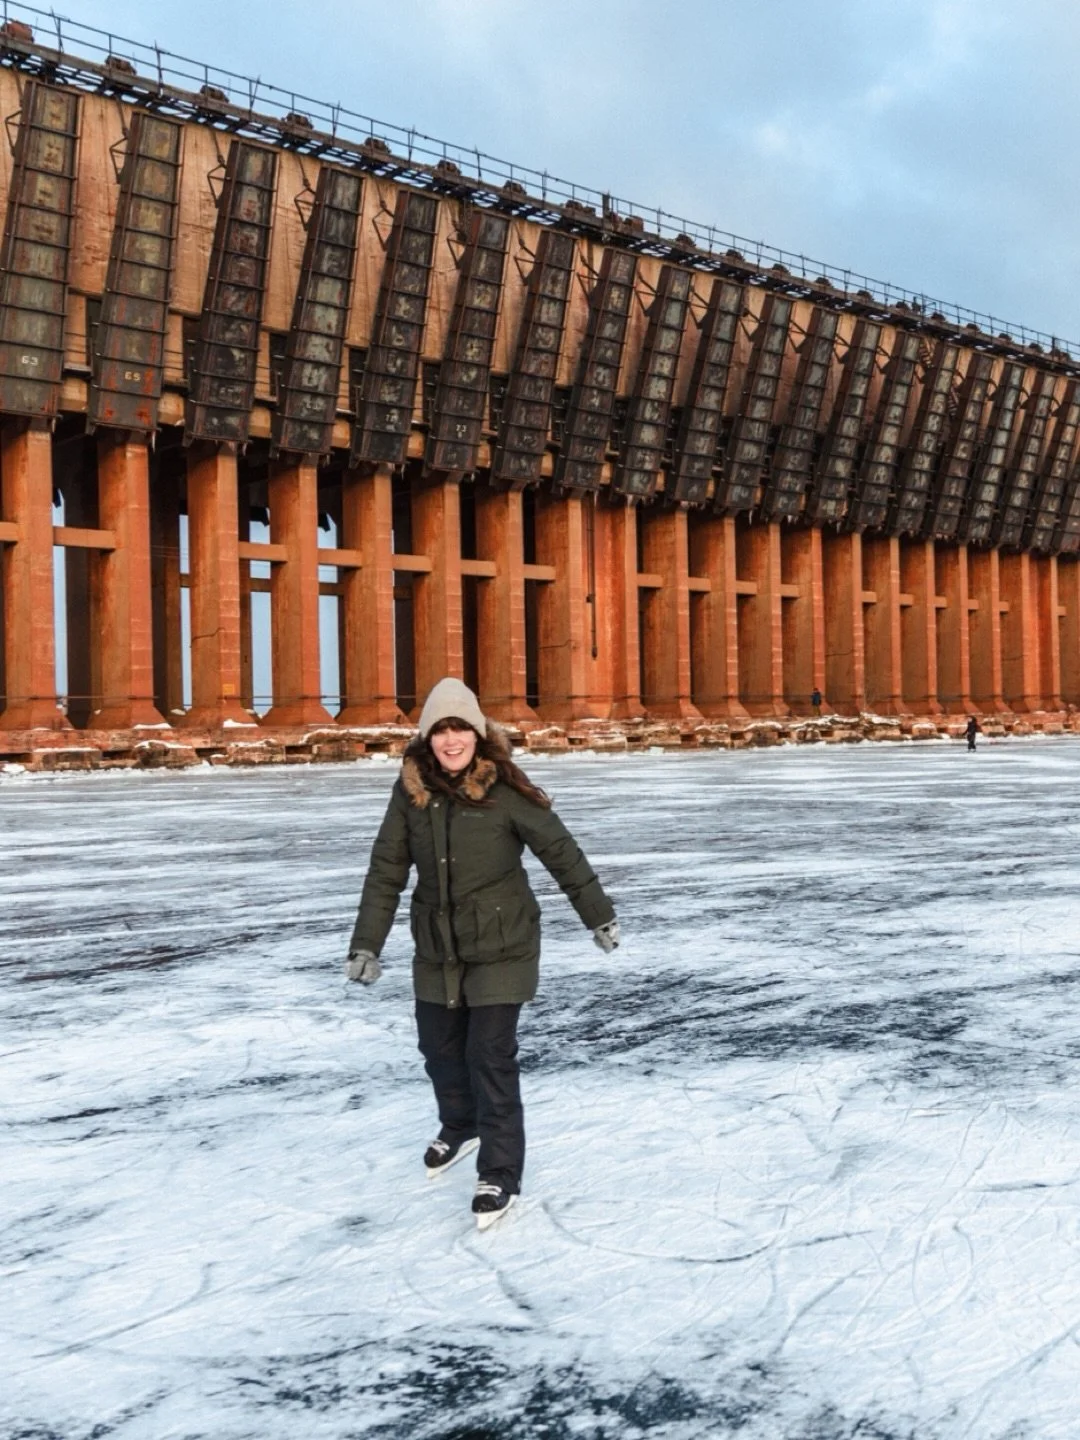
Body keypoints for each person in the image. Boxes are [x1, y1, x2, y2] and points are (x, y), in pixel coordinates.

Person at [345, 677, 619, 1230]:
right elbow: (386, 870)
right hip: (438, 947)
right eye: (441, 731)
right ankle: (461, 1125)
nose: (451, 741)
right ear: (427, 738)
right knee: (439, 1048)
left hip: (502, 944)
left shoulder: (505, 789)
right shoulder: (410, 792)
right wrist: (366, 943)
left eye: (460, 729)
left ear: (477, 733)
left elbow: (560, 851)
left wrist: (598, 914)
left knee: (489, 1057)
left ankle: (500, 1172)